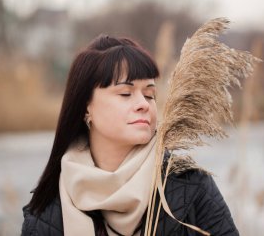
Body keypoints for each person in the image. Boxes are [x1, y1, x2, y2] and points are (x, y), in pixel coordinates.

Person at [21, 35, 239, 236]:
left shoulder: (191, 187)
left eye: (149, 94)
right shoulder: (47, 209)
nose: (143, 104)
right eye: (125, 93)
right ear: (86, 106)